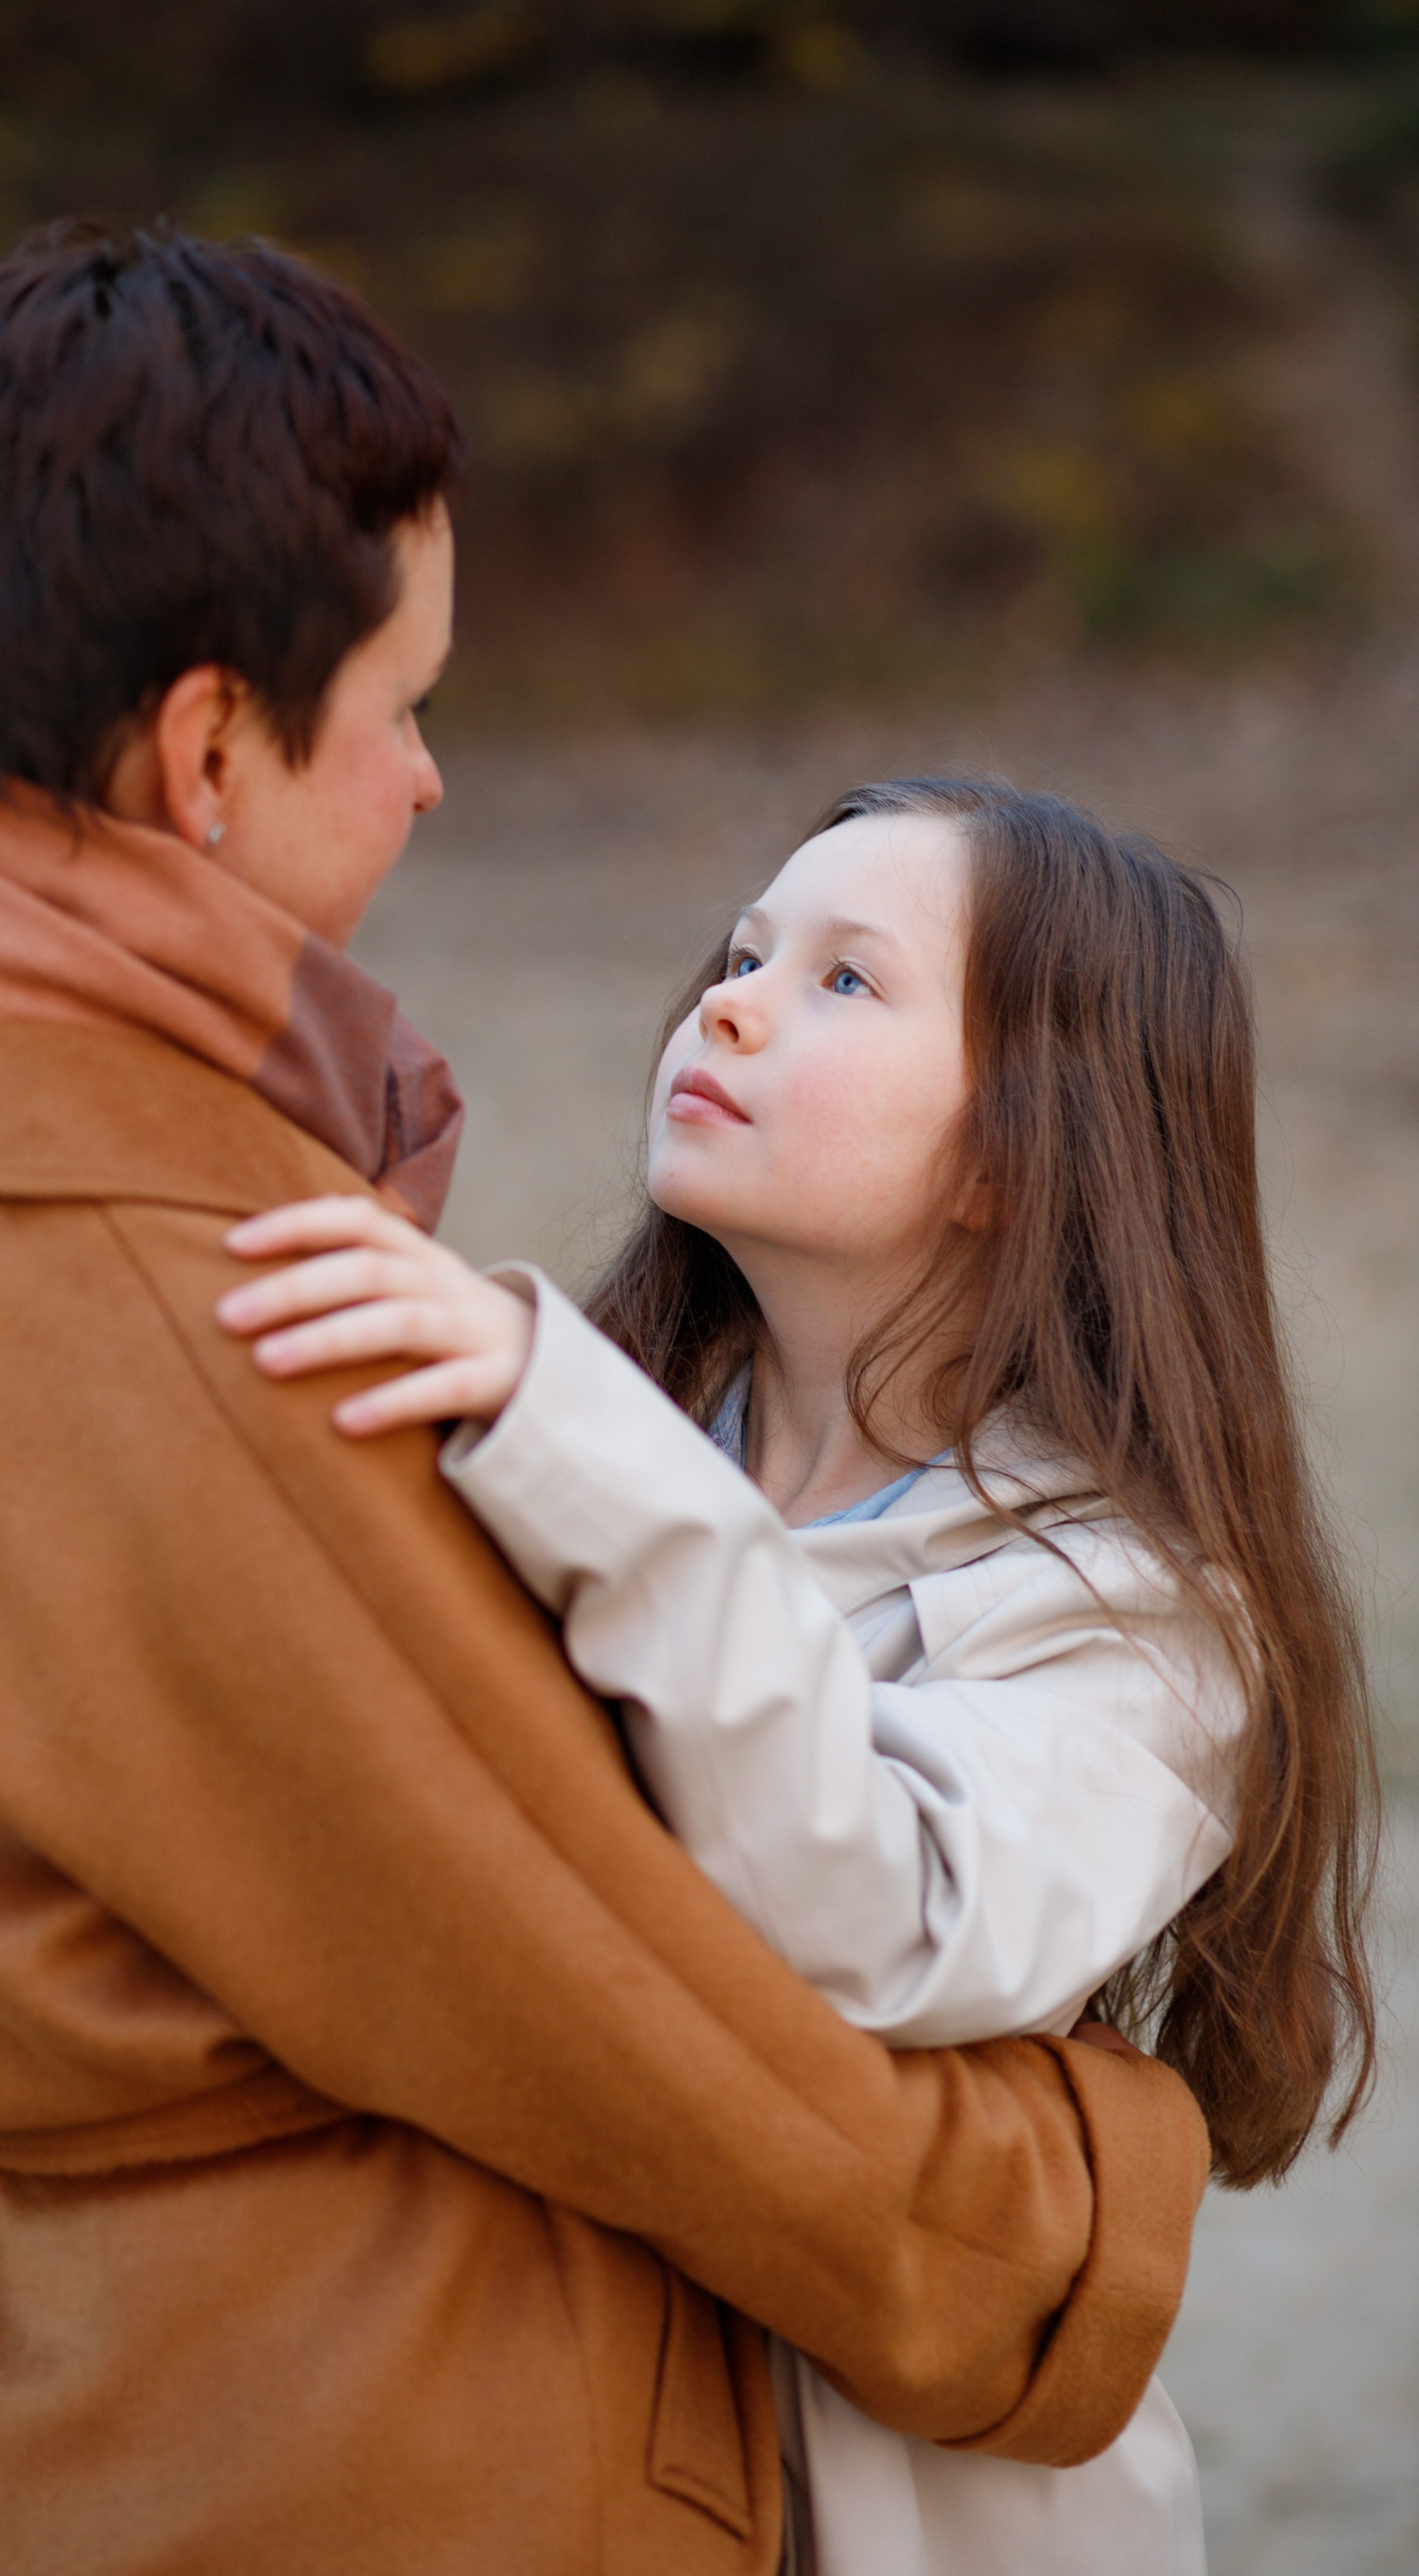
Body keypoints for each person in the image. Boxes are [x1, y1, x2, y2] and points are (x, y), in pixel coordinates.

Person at [0, 227, 1215, 2576]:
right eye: (401, 699)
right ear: (210, 747)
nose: (428, 776)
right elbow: (620, 2021)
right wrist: (1059, 2218)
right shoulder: (217, 1294)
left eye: (839, 981)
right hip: (344, 2438)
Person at [217, 777, 1379, 2576]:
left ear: (1022, 1148)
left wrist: (572, 1446)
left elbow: (896, 1914)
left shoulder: (1140, 1608)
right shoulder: (580, 1440)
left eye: (849, 982)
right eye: (747, 951)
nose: (733, 1000)